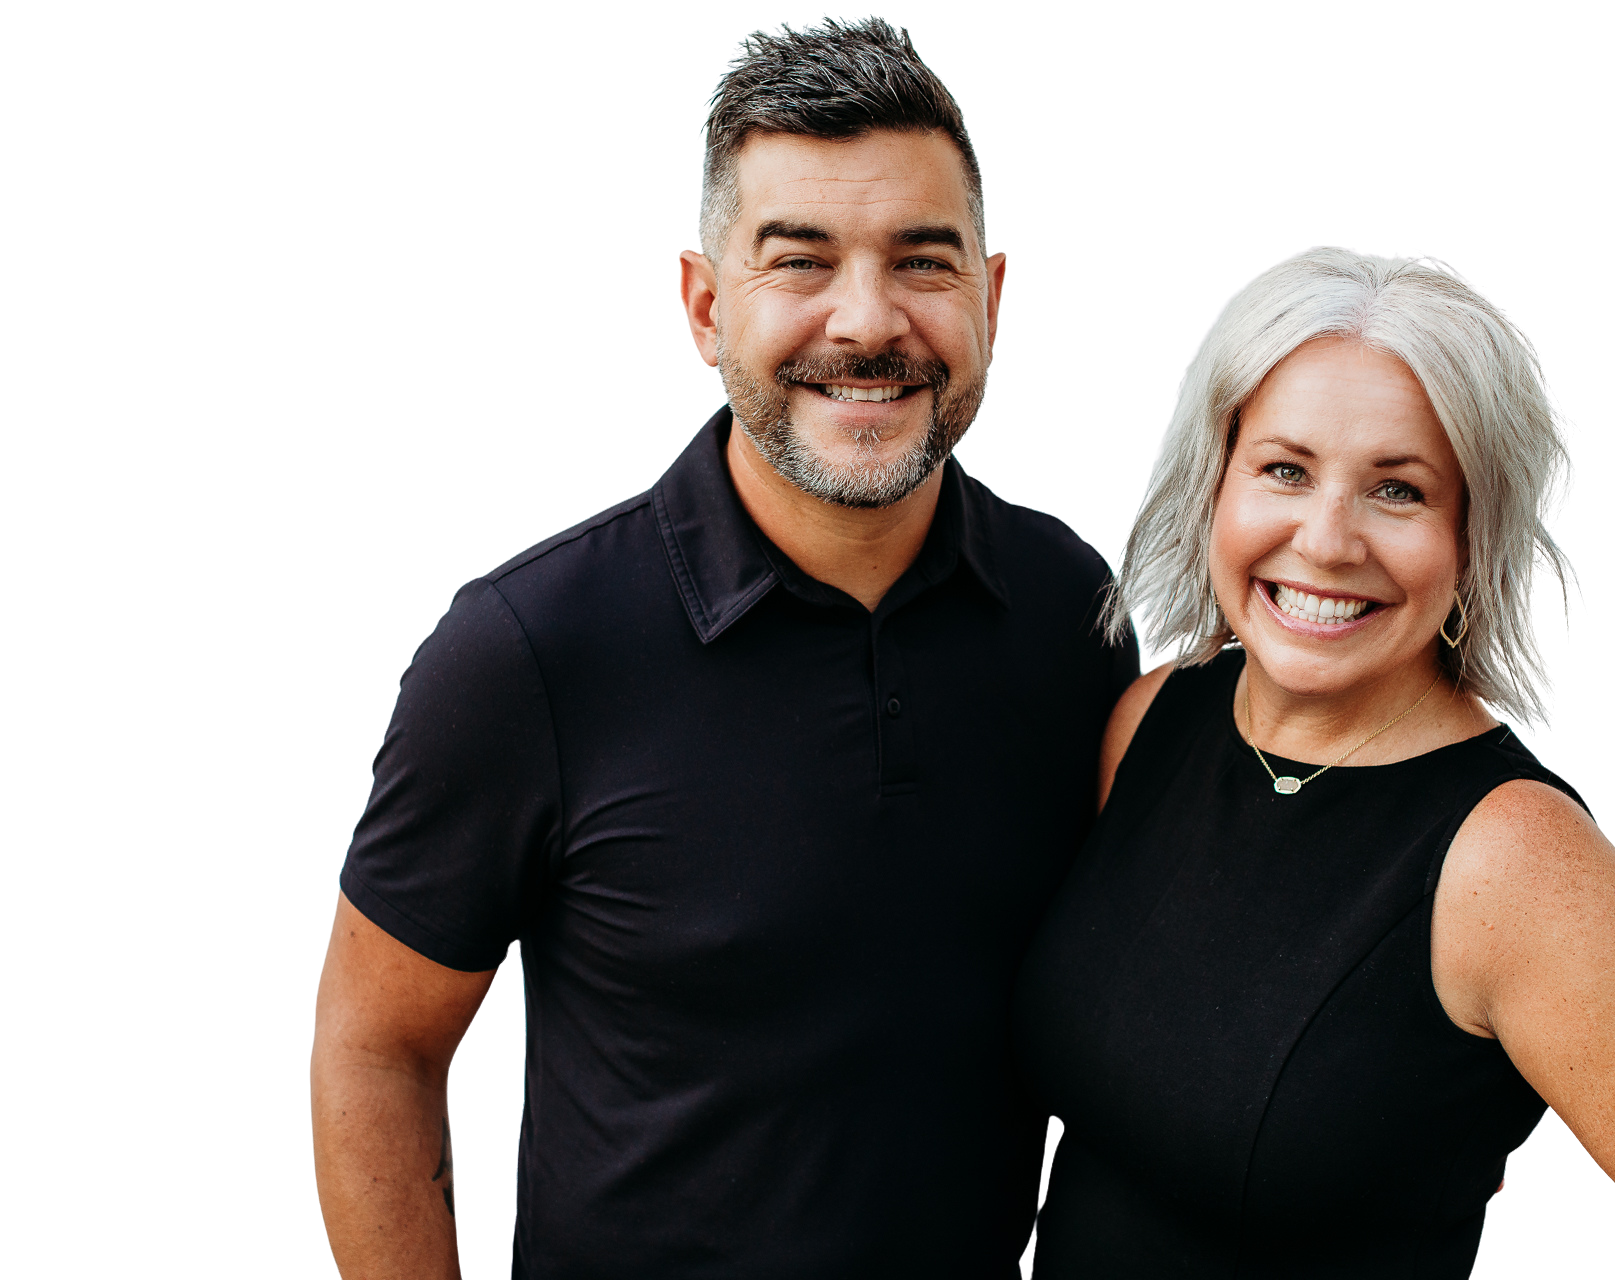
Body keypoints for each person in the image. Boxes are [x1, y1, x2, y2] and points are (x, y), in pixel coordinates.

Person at [310, 19, 1135, 1279]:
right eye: (799, 261)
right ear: (705, 304)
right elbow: (378, 1044)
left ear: (992, 295)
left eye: (923, 260)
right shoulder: (529, 649)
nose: (868, 321)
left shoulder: (1069, 611)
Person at [1012, 248, 1615, 1277]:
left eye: (1397, 490)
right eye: (1284, 468)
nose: (1325, 538)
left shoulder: (1514, 861)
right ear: (1215, 484)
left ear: (1469, 539)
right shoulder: (1151, 723)